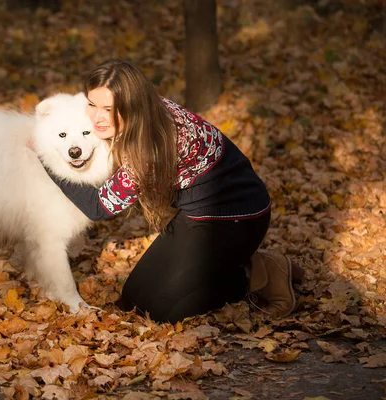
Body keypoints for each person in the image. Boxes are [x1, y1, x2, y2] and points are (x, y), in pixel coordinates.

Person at [44, 59, 302, 323]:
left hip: (237, 216)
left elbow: (99, 207)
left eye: (108, 109)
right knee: (134, 299)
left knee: (166, 311)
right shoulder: (147, 109)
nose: (97, 118)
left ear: (131, 105)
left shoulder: (148, 147)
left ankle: (257, 273)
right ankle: (234, 265)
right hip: (197, 210)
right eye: (91, 104)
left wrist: (46, 161)